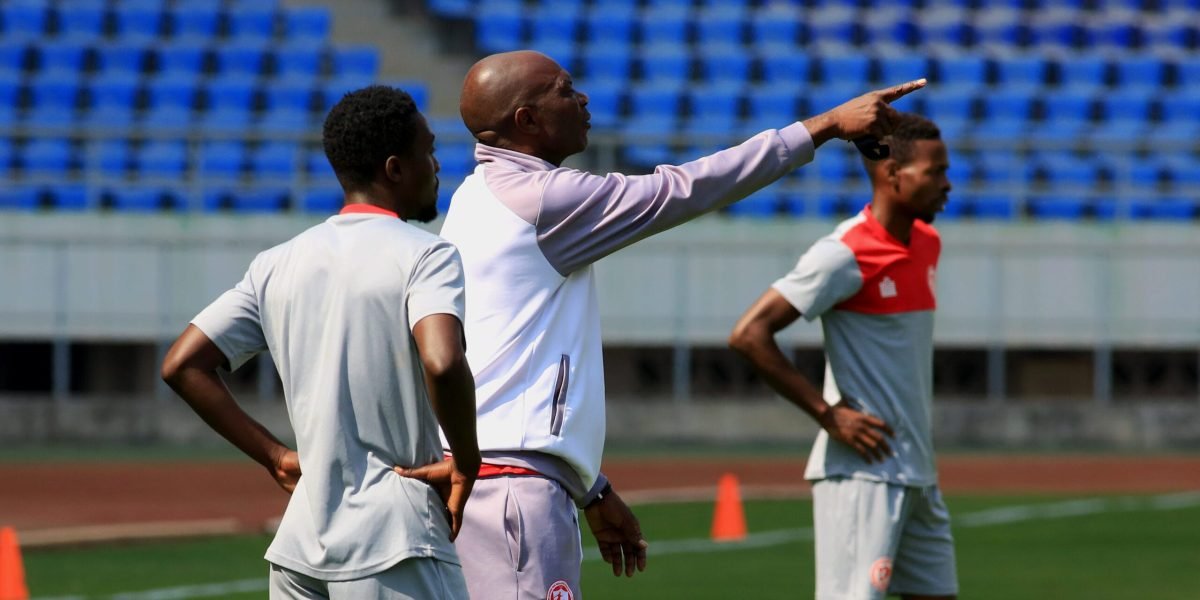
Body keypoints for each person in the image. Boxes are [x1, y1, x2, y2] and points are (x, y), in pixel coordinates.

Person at [398, 49, 924, 599]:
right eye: (563, 89)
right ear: (526, 121)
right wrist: (824, 126)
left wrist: (592, 491)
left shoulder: (474, 196)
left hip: (487, 478)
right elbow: (683, 188)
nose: (581, 99)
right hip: (514, 493)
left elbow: (502, 375)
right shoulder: (545, 199)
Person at [160, 86, 481, 599]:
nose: (438, 166)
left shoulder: (277, 263)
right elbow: (442, 362)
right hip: (392, 537)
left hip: (301, 543)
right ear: (396, 168)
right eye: (430, 152)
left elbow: (181, 365)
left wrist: (274, 456)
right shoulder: (428, 256)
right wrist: (467, 461)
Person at [729, 112, 956, 600]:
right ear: (893, 175)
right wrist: (830, 416)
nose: (947, 184)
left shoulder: (928, 243)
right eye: (935, 172)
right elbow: (750, 334)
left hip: (917, 470)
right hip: (863, 474)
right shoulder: (844, 253)